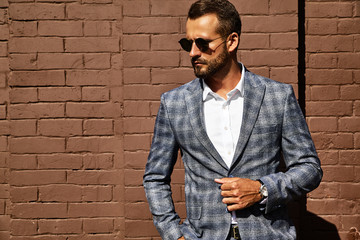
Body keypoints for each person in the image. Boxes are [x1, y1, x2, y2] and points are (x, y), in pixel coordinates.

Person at [143, 0, 322, 239]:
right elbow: (155, 178)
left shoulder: (277, 96)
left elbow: (309, 169)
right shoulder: (174, 103)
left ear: (232, 41)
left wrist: (262, 190)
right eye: (188, 43)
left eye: (203, 43)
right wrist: (175, 234)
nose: (193, 52)